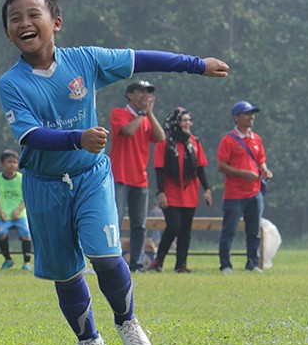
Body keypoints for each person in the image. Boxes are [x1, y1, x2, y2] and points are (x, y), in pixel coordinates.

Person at [0, 0, 228, 345]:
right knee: (65, 273)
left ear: (56, 22)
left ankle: (128, 322)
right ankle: (89, 339)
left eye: (32, 14)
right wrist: (78, 137)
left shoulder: (85, 60)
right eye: (14, 18)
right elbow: (28, 135)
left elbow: (141, 59)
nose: (24, 22)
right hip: (43, 185)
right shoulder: (11, 83)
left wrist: (196, 64)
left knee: (105, 255)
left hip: (90, 175)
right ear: (8, 33)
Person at [110, 80, 166, 271]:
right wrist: (143, 113)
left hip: (140, 179)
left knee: (139, 225)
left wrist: (149, 113)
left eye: (148, 92)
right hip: (120, 177)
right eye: (141, 91)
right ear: (130, 95)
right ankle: (112, 261)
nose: (145, 95)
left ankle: (137, 263)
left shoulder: (145, 119)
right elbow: (127, 131)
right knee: (115, 221)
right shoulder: (119, 113)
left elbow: (160, 137)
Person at [152, 107, 212, 273]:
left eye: (189, 120)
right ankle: (158, 260)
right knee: (174, 226)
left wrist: (207, 189)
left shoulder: (194, 141)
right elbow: (158, 169)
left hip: (190, 191)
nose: (188, 123)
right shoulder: (164, 141)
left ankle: (181, 265)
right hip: (170, 192)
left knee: (185, 231)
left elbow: (200, 168)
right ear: (176, 122)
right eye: (184, 120)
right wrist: (161, 192)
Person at [217, 100, 273, 273]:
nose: (251, 117)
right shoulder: (228, 140)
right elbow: (221, 166)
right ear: (236, 117)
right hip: (234, 194)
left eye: (252, 113)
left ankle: (252, 264)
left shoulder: (256, 139)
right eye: (247, 113)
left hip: (255, 192)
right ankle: (226, 265)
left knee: (254, 232)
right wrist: (243, 173)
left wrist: (265, 170)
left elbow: (260, 161)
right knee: (229, 232)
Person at [0, 149, 32, 271]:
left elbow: (27, 197)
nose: (12, 164)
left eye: (15, 162)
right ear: (1, 164)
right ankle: (8, 259)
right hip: (3, 214)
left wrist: (18, 210)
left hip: (20, 214)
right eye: (9, 162)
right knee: (1, 234)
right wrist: (0, 211)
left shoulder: (22, 178)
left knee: (26, 234)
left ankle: (27, 263)